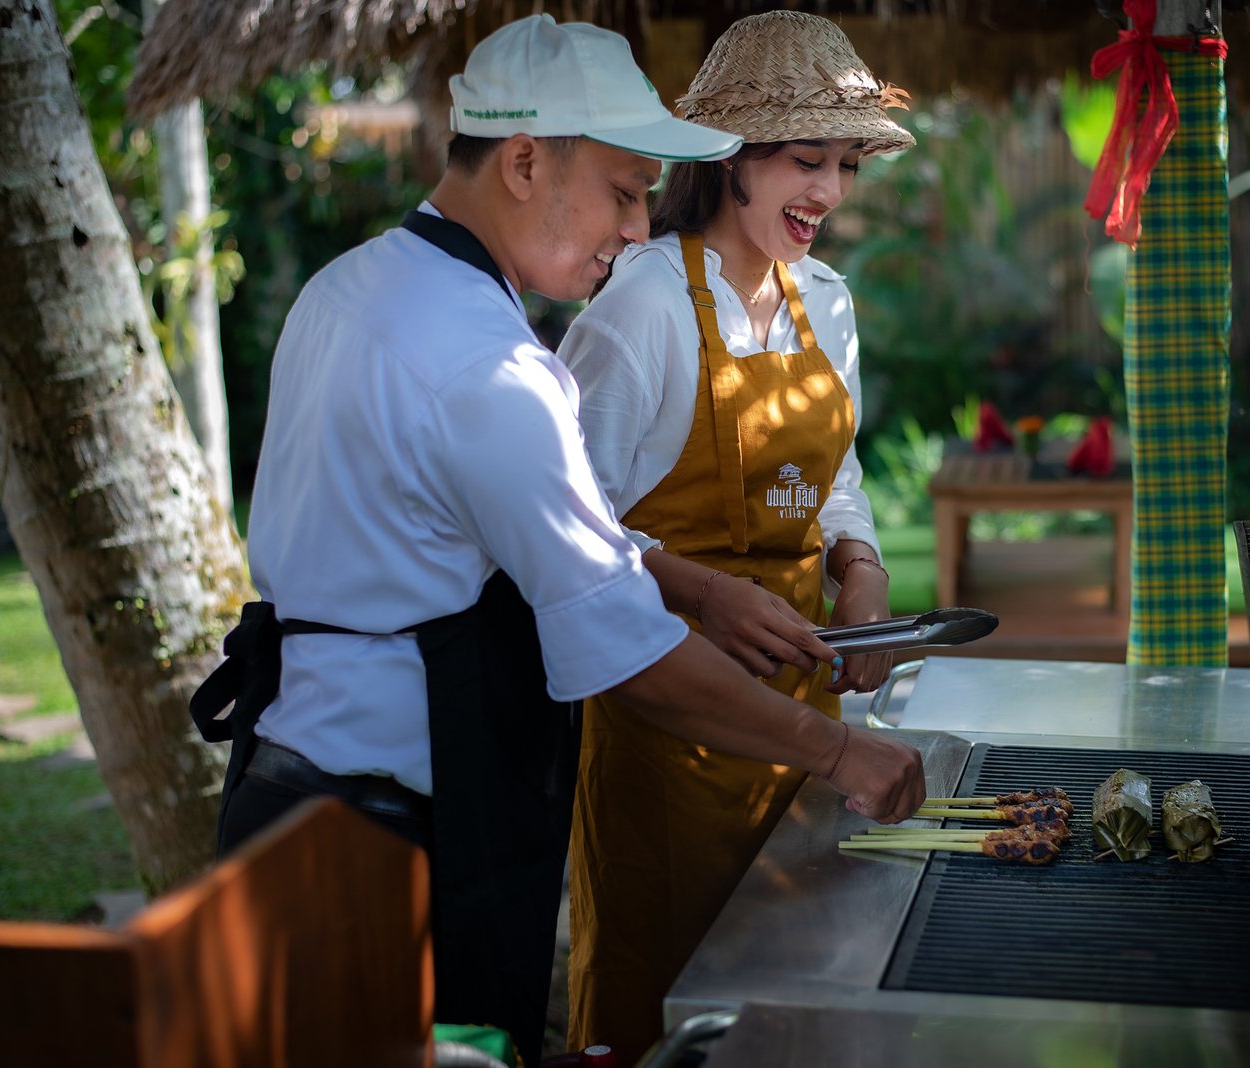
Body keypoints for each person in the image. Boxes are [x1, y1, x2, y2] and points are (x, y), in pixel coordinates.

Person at [187, 15, 927, 1068]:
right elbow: (623, 648)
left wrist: (722, 592)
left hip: (281, 792)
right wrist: (842, 750)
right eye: (625, 192)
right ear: (528, 161)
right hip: (408, 834)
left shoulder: (346, 289)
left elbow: (456, 537)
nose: (635, 229)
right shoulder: (494, 366)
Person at [555, 10, 917, 1058]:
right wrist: (702, 592)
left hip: (803, 724)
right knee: (659, 1006)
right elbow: (571, 534)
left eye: (845, 164)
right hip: (665, 739)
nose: (830, 194)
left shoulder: (828, 304)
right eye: (807, 162)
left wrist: (862, 570)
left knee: (792, 996)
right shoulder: (642, 311)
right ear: (730, 160)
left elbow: (835, 473)